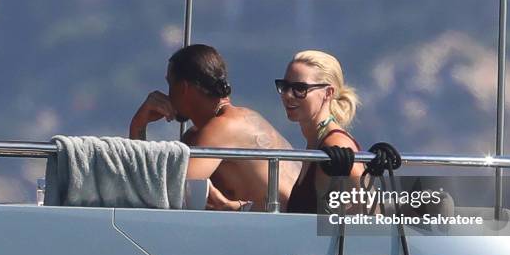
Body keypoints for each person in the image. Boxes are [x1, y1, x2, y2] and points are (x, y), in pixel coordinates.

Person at [129, 44, 299, 211]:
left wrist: (137, 125)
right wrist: (139, 124)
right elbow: (153, 190)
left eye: (170, 84)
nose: (167, 94)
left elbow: (171, 195)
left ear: (183, 88)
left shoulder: (224, 127)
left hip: (287, 231)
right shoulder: (204, 132)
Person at [276, 50, 364, 214]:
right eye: (285, 86)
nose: (288, 95)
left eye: (300, 88)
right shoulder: (315, 142)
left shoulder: (336, 144)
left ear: (328, 93)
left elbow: (372, 208)